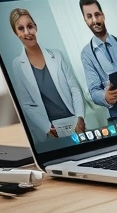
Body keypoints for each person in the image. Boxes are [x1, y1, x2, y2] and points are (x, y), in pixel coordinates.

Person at [8, 8, 86, 142]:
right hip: (51, 130)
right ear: (16, 33)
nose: (27, 32)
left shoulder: (57, 55)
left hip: (74, 123)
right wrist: (47, 127)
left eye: (30, 26)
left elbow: (75, 89)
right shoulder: (18, 65)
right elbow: (27, 104)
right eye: (21, 28)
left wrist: (80, 117)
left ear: (35, 27)